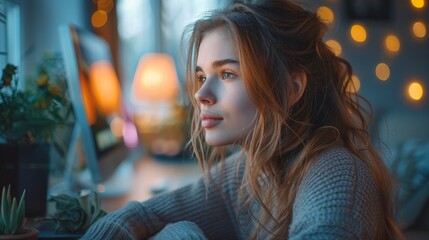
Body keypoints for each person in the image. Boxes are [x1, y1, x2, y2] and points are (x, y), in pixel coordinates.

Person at [81, 0, 404, 239]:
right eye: (201, 75)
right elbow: (144, 214)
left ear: (290, 89)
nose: (201, 93)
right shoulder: (252, 167)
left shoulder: (337, 177)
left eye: (227, 73)